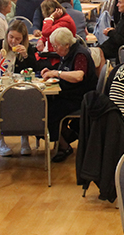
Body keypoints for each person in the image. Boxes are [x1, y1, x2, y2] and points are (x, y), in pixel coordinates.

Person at [0, 20, 38, 157]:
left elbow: (35, 70)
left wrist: (25, 56)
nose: (13, 41)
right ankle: (0, 140)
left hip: (20, 87)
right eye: (11, 37)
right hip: (0, 87)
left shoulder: (27, 48)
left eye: (18, 38)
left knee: (25, 102)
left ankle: (25, 138)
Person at [42, 27, 98, 163]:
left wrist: (57, 73)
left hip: (80, 97)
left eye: (56, 46)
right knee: (44, 106)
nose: (54, 49)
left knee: (47, 113)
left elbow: (79, 75)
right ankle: (68, 135)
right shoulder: (68, 53)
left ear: (67, 45)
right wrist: (52, 70)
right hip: (70, 94)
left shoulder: (80, 54)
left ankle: (64, 145)